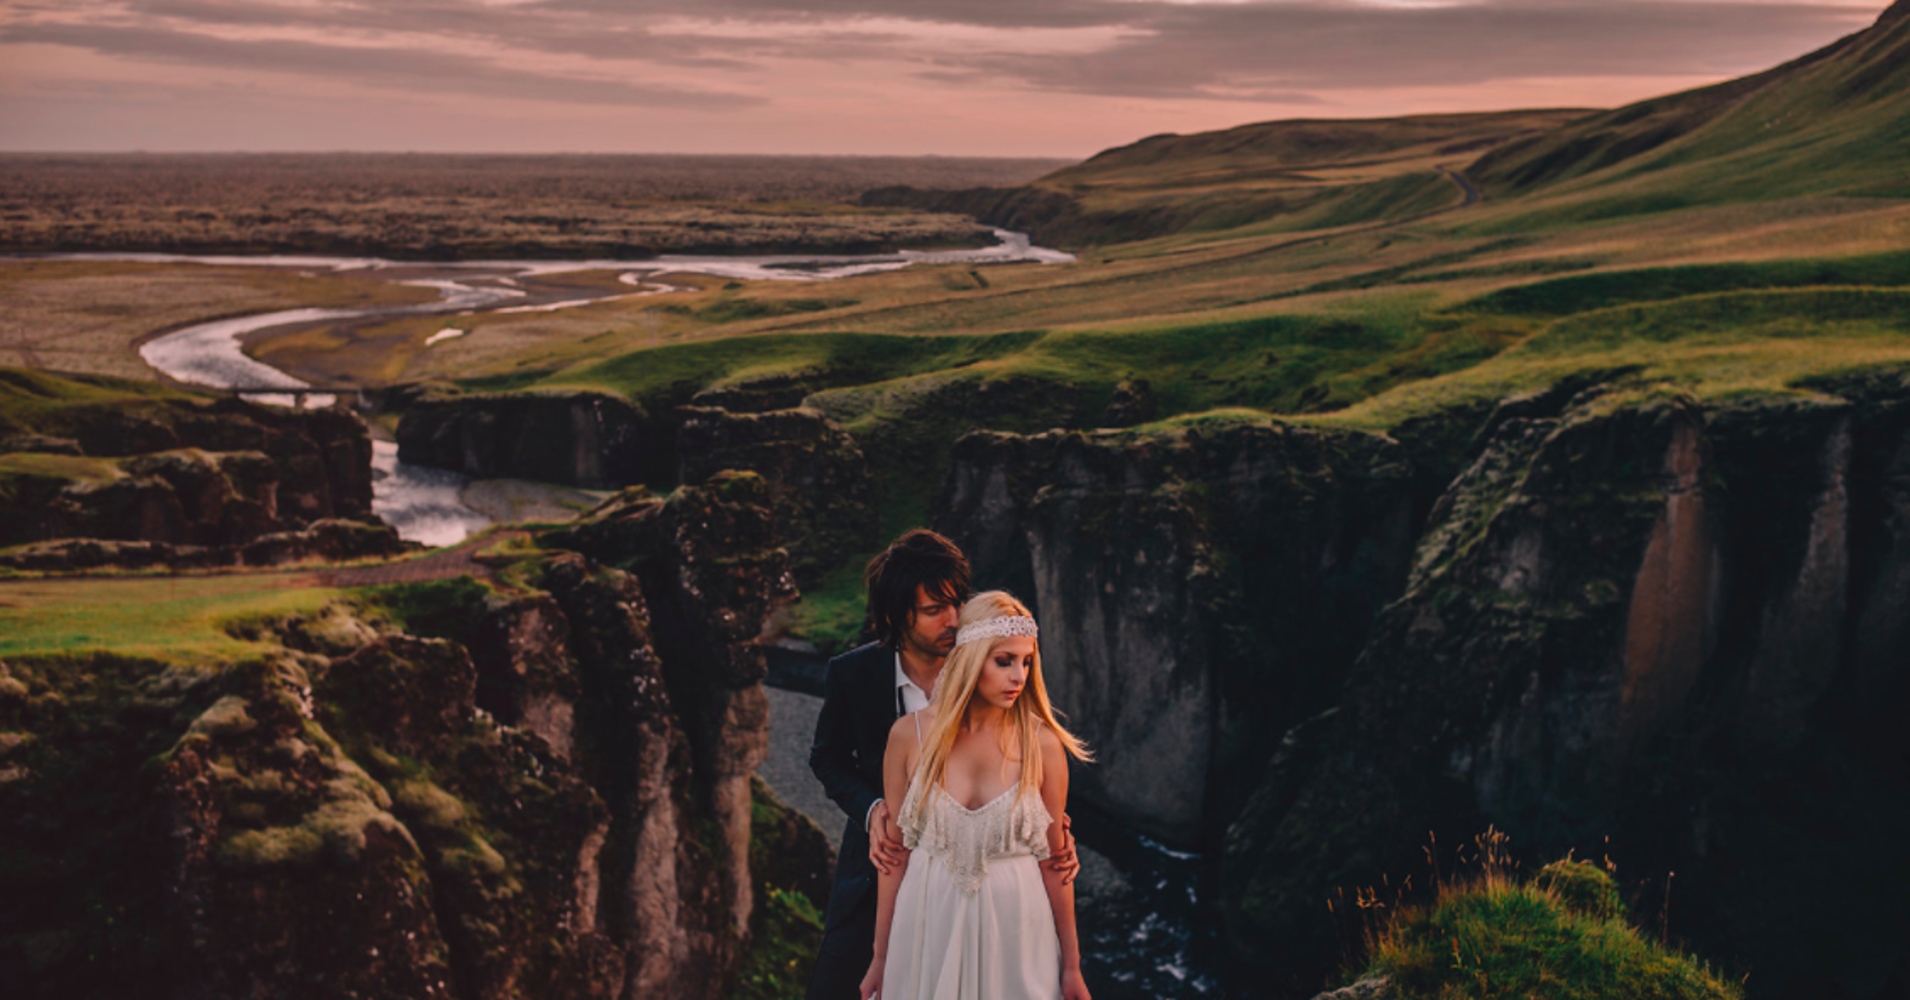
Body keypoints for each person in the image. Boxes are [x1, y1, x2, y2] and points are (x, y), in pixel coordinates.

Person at [807, 531, 1077, 1000]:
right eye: (934, 609)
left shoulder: (993, 659)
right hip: (883, 868)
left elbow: (1027, 762)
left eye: (957, 602)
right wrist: (873, 810)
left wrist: (1042, 822)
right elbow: (826, 757)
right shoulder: (852, 674)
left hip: (995, 894)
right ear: (896, 616)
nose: (953, 620)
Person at [860, 592, 1092, 1000]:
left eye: (1027, 662)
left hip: (1019, 932)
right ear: (970, 658)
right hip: (925, 925)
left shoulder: (1043, 744)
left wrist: (1072, 967)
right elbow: (893, 859)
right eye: (1004, 661)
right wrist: (880, 957)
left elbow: (1056, 862)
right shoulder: (909, 736)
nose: (1019, 676)